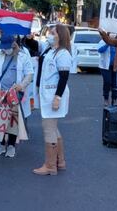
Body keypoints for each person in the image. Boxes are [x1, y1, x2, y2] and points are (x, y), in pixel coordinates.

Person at [33, 25, 72, 176]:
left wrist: (57, 97)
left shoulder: (62, 54)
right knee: (53, 128)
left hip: (54, 95)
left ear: (60, 36)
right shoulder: (50, 50)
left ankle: (50, 166)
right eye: (49, 32)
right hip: (47, 93)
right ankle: (60, 161)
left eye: (53, 33)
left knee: (48, 128)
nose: (49, 35)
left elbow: (64, 77)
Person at [0, 34, 34, 158]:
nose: (4, 50)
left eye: (6, 47)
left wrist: (21, 85)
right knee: (0, 119)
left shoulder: (23, 56)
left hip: (14, 94)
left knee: (13, 120)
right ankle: (1, 144)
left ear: (13, 45)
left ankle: (11, 145)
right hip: (0, 93)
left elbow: (29, 74)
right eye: (3, 48)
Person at [97, 41, 117, 106]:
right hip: (105, 66)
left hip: (115, 66)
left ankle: (114, 99)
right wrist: (107, 44)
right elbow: (100, 50)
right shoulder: (102, 41)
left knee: (115, 83)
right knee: (107, 81)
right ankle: (106, 98)